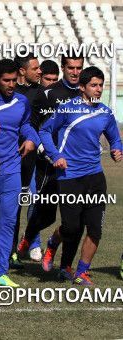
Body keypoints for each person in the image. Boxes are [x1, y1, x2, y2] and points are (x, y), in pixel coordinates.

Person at [39, 66, 122, 285]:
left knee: (95, 228)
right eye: (94, 85)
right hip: (69, 176)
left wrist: (116, 149)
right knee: (72, 228)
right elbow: (45, 131)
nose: (98, 89)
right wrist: (55, 154)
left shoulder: (105, 112)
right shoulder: (67, 109)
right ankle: (53, 241)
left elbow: (115, 138)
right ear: (82, 87)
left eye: (100, 85)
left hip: (95, 177)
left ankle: (81, 272)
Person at [17, 55, 84, 281]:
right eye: (71, 68)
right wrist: (45, 151)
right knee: (45, 216)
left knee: (73, 218)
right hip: (49, 165)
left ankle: (63, 263)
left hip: (77, 168)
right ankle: (29, 236)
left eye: (79, 68)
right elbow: (34, 126)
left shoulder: (86, 94)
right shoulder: (48, 94)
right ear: (63, 68)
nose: (75, 72)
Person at [0, 59, 40, 287]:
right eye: (6, 81)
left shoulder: (21, 101)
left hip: (11, 169)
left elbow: (26, 125)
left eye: (13, 80)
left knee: (8, 222)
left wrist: (31, 138)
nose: (11, 84)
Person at [12, 53, 43, 266]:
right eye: (35, 68)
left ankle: (33, 243)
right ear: (22, 71)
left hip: (32, 158)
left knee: (33, 200)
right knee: (12, 206)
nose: (39, 71)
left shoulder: (41, 93)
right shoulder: (10, 92)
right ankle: (9, 248)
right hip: (10, 158)